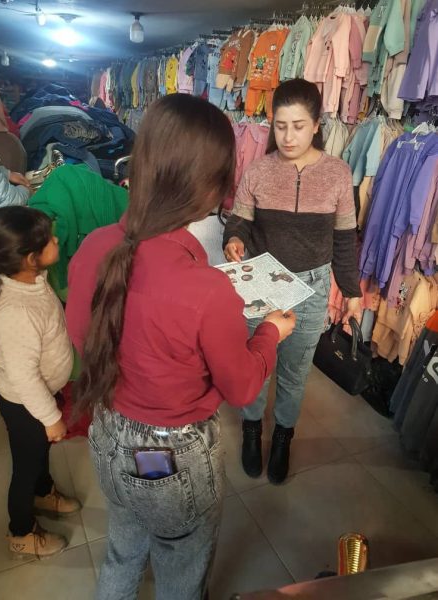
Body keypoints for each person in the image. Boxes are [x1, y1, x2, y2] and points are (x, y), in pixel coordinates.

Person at [65, 94, 296, 600]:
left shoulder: (94, 247)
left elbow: (82, 337)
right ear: (211, 186)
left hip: (107, 436)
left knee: (123, 550)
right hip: (167, 459)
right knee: (180, 567)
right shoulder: (207, 290)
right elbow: (241, 387)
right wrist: (270, 333)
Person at [223, 78, 362, 485]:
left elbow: (344, 239)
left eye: (298, 126)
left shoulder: (337, 174)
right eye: (281, 126)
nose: (288, 136)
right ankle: (252, 429)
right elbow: (239, 221)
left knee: (295, 371)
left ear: (317, 125)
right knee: (256, 362)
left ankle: (283, 436)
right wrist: (234, 239)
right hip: (262, 282)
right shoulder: (258, 170)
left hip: (312, 289)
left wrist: (351, 292)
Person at [0, 206, 80, 559]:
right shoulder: (14, 312)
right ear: (30, 258)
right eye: (49, 240)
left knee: (40, 454)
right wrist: (51, 417)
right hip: (25, 404)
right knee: (25, 467)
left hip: (40, 397)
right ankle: (21, 531)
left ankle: (44, 492)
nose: (56, 239)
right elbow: (24, 377)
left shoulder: (33, 281)